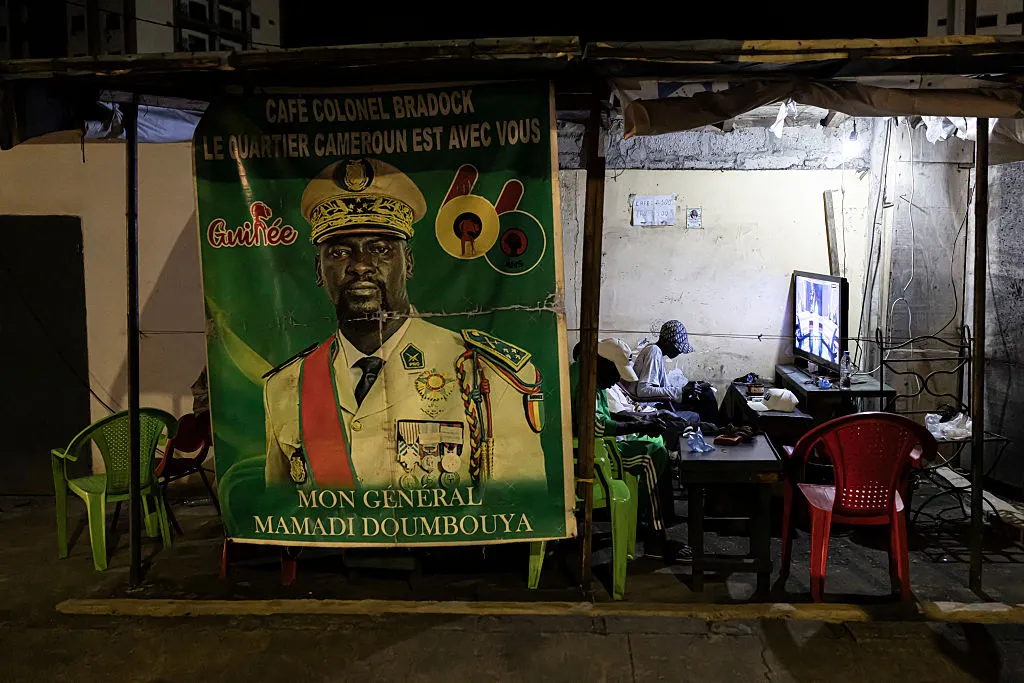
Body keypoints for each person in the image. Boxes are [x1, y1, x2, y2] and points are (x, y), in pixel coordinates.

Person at [264, 158, 545, 491]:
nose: (361, 266)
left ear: (408, 262)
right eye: (339, 253)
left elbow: (515, 513)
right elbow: (281, 518)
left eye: (381, 249)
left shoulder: (484, 374)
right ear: (318, 270)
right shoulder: (285, 386)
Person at [569, 339, 671, 534]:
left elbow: (601, 416)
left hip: (594, 448)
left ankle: (644, 516)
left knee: (654, 446)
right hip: (593, 457)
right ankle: (655, 535)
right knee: (653, 454)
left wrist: (644, 422)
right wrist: (640, 424)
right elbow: (596, 426)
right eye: (616, 372)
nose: (617, 380)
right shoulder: (586, 384)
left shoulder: (586, 376)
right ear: (603, 362)